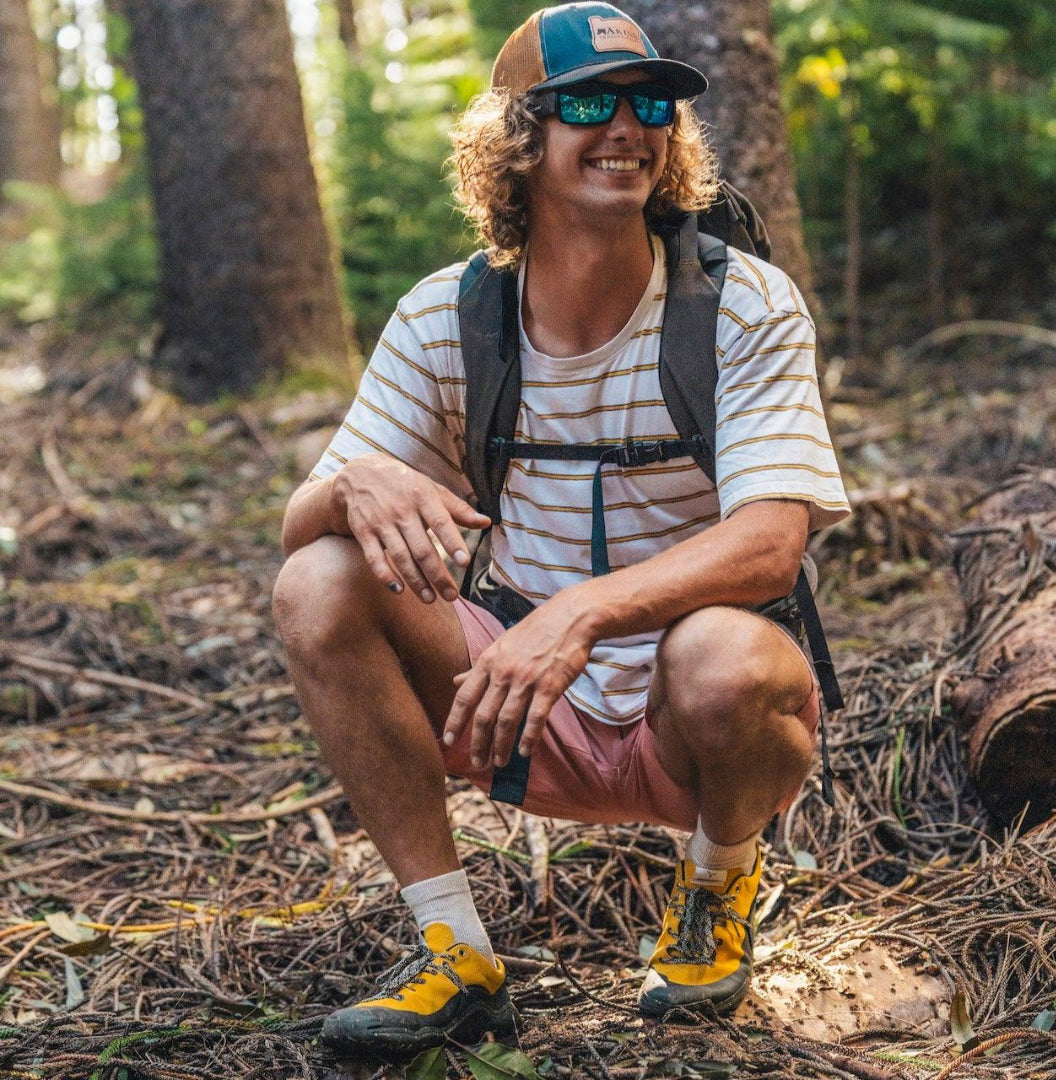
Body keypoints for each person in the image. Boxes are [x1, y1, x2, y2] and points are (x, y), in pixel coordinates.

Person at [272, 1, 851, 1064]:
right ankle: (457, 953)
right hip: (513, 712)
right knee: (317, 579)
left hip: (699, 723)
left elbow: (774, 542)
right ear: (517, 142)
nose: (628, 127)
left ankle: (719, 893)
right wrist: (358, 482)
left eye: (650, 104)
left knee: (724, 653)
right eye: (589, 103)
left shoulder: (742, 305)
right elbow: (297, 523)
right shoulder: (450, 315)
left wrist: (581, 612)